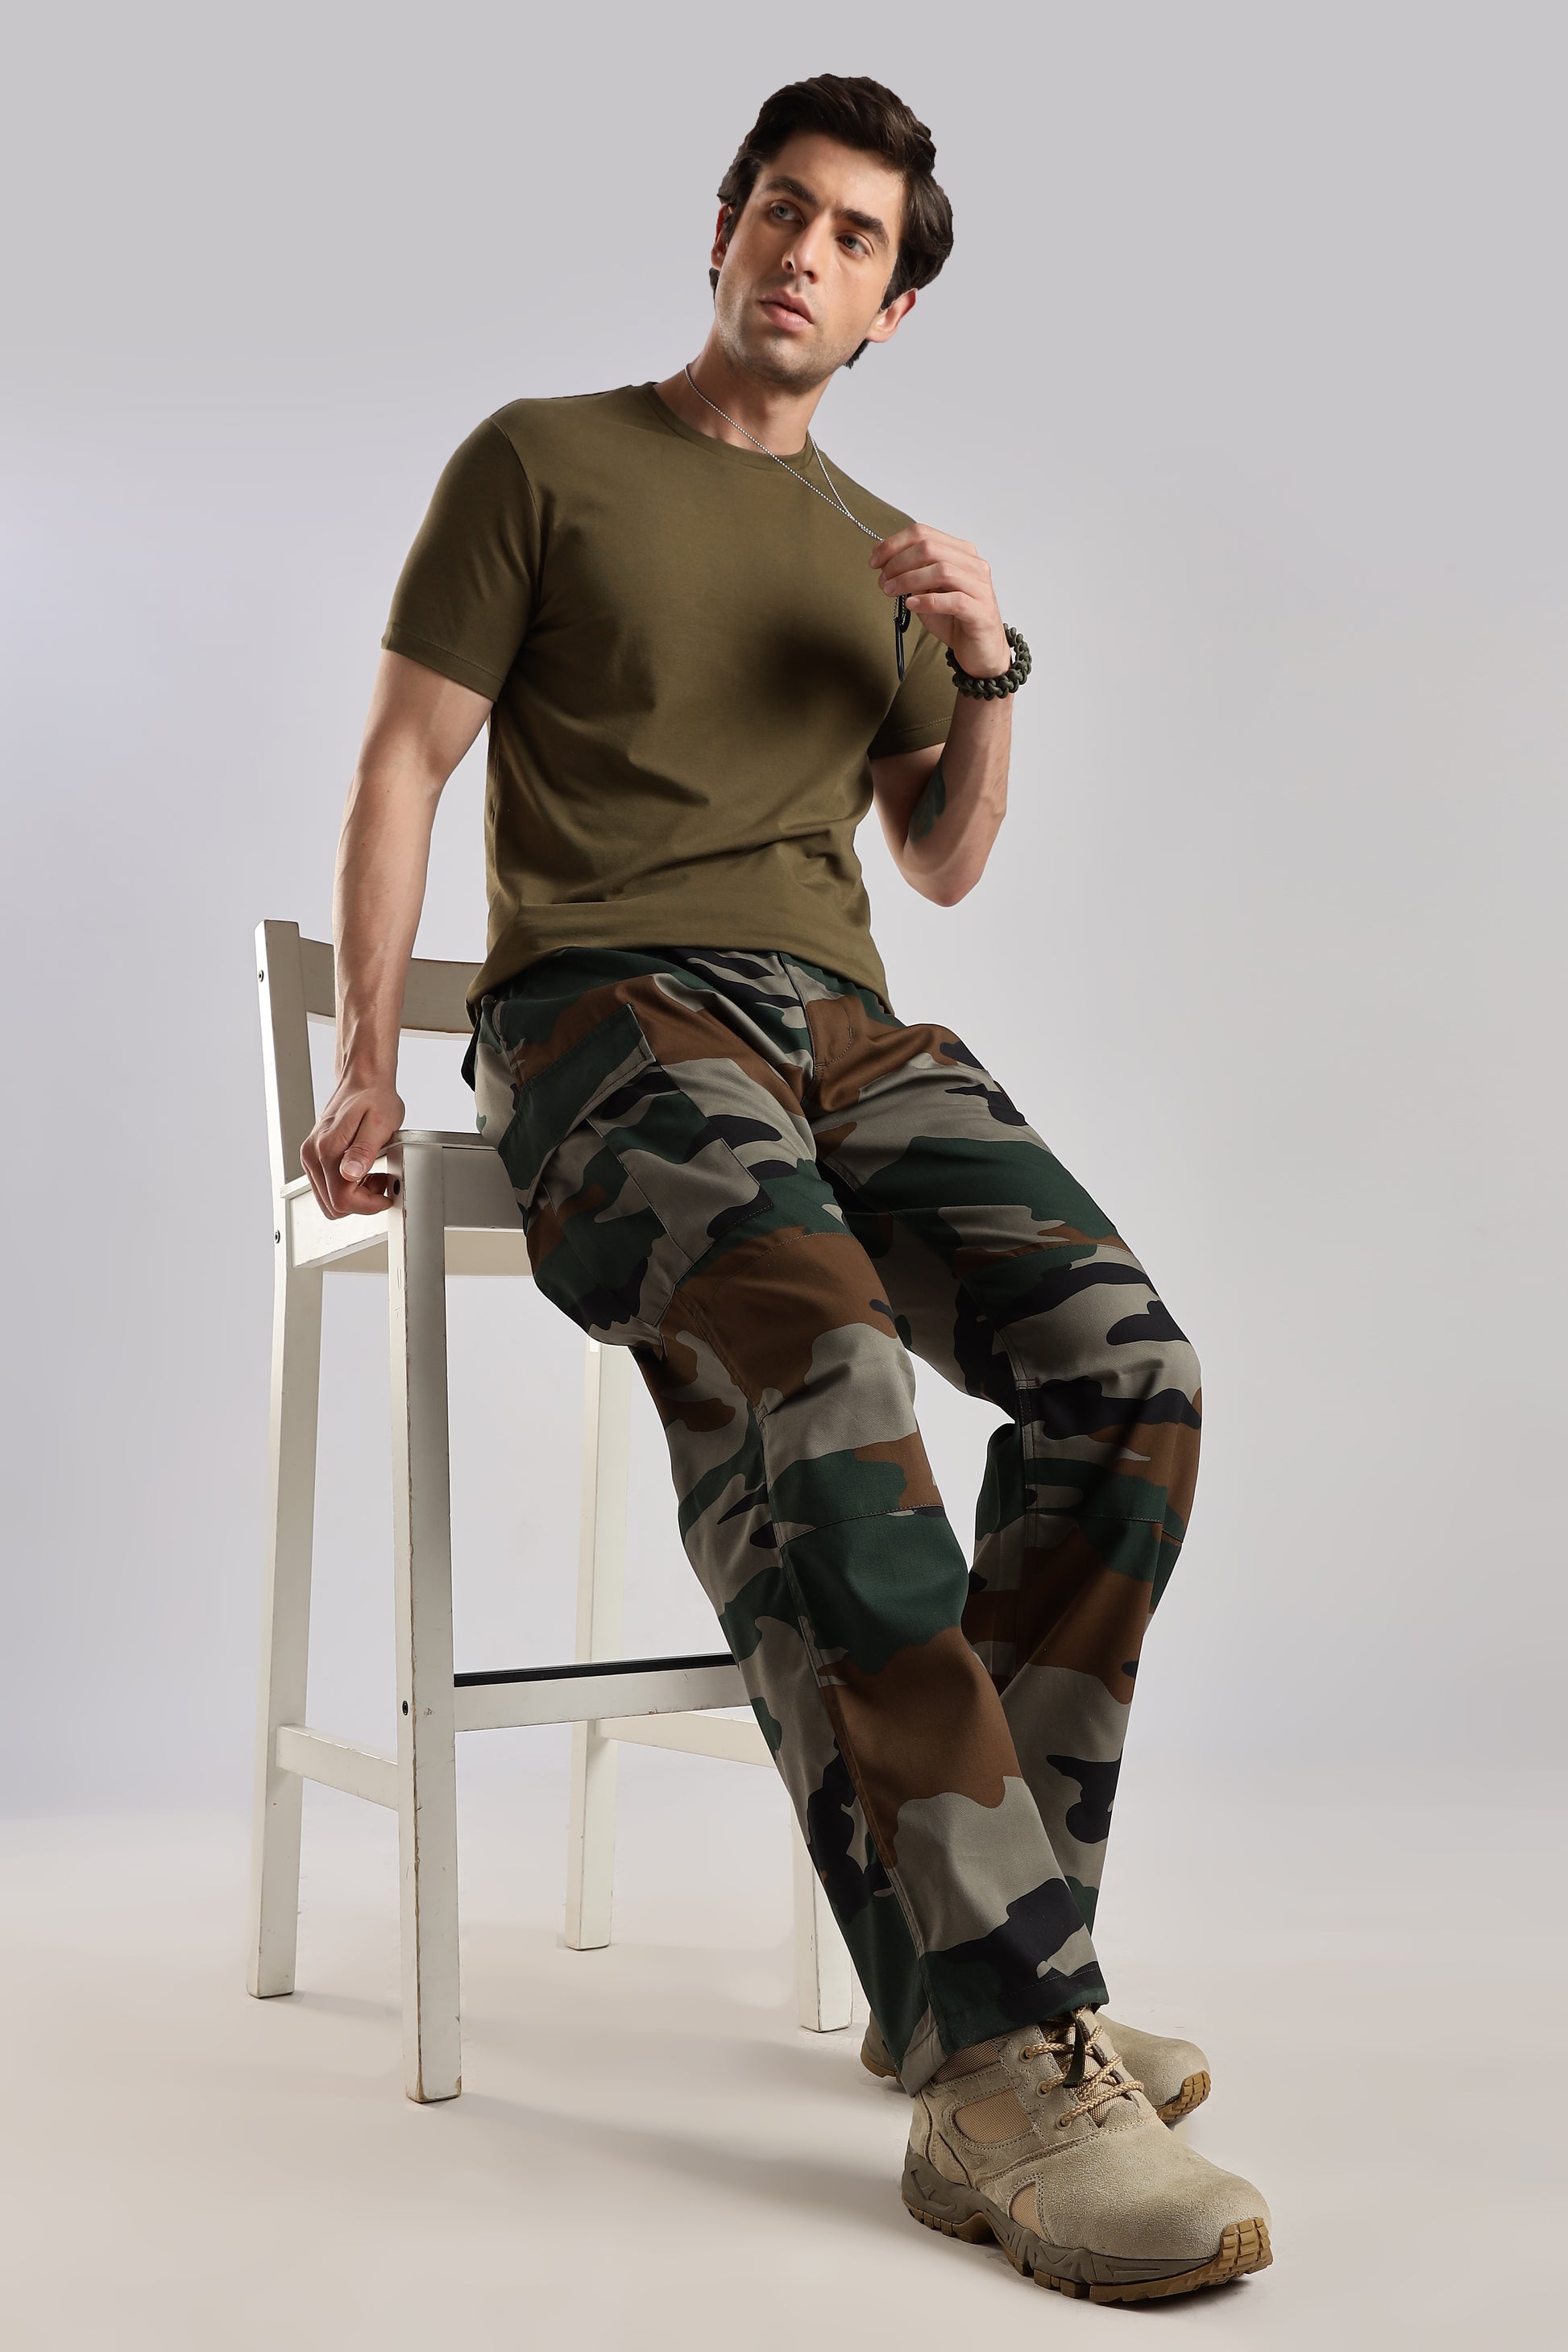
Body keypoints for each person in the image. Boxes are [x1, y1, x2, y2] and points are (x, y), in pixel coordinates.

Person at [300, 73, 1271, 2305]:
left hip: (843, 1027)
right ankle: (1009, 2047)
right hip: (608, 1017)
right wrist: (365, 1058)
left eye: (852, 239)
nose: (804, 256)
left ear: (890, 304)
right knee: (825, 1367)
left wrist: (989, 665)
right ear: (723, 227)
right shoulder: (544, 460)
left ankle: (990, 1969)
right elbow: (404, 760)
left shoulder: (881, 543)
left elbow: (939, 858)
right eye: (781, 211)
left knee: (1129, 1376)